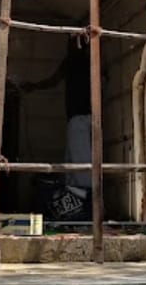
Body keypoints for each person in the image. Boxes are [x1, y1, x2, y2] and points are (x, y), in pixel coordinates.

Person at [21, 32, 92, 206]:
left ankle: (87, 203)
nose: (67, 47)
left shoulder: (73, 61)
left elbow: (53, 81)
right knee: (73, 161)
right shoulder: (89, 62)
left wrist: (33, 86)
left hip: (79, 118)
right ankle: (76, 204)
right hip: (86, 118)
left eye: (70, 43)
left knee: (79, 163)